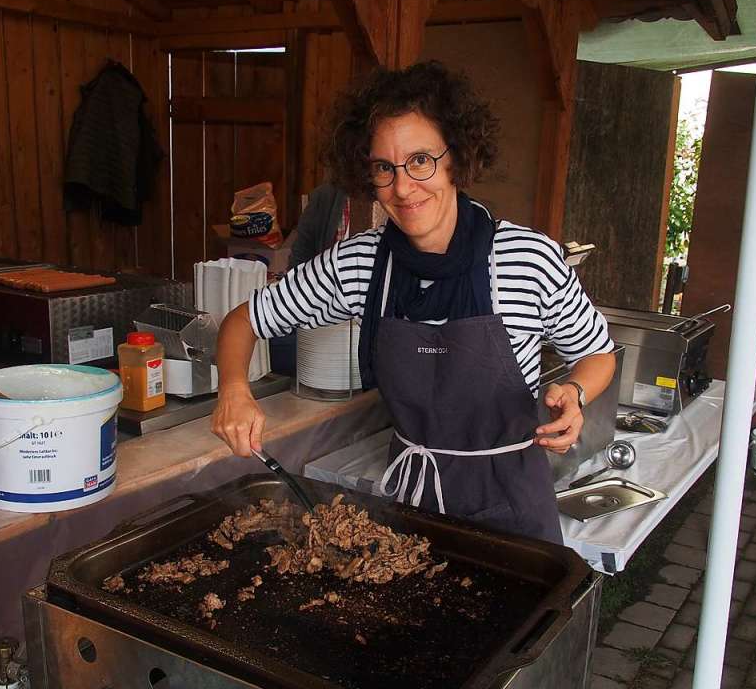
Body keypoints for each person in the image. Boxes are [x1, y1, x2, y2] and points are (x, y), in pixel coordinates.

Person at [212, 61, 615, 544]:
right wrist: (233, 387)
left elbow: (596, 352)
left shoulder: (527, 258)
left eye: (420, 160)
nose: (402, 188)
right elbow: (243, 321)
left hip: (512, 504)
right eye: (384, 168)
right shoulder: (359, 264)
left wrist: (574, 393)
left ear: (456, 157)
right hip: (411, 508)